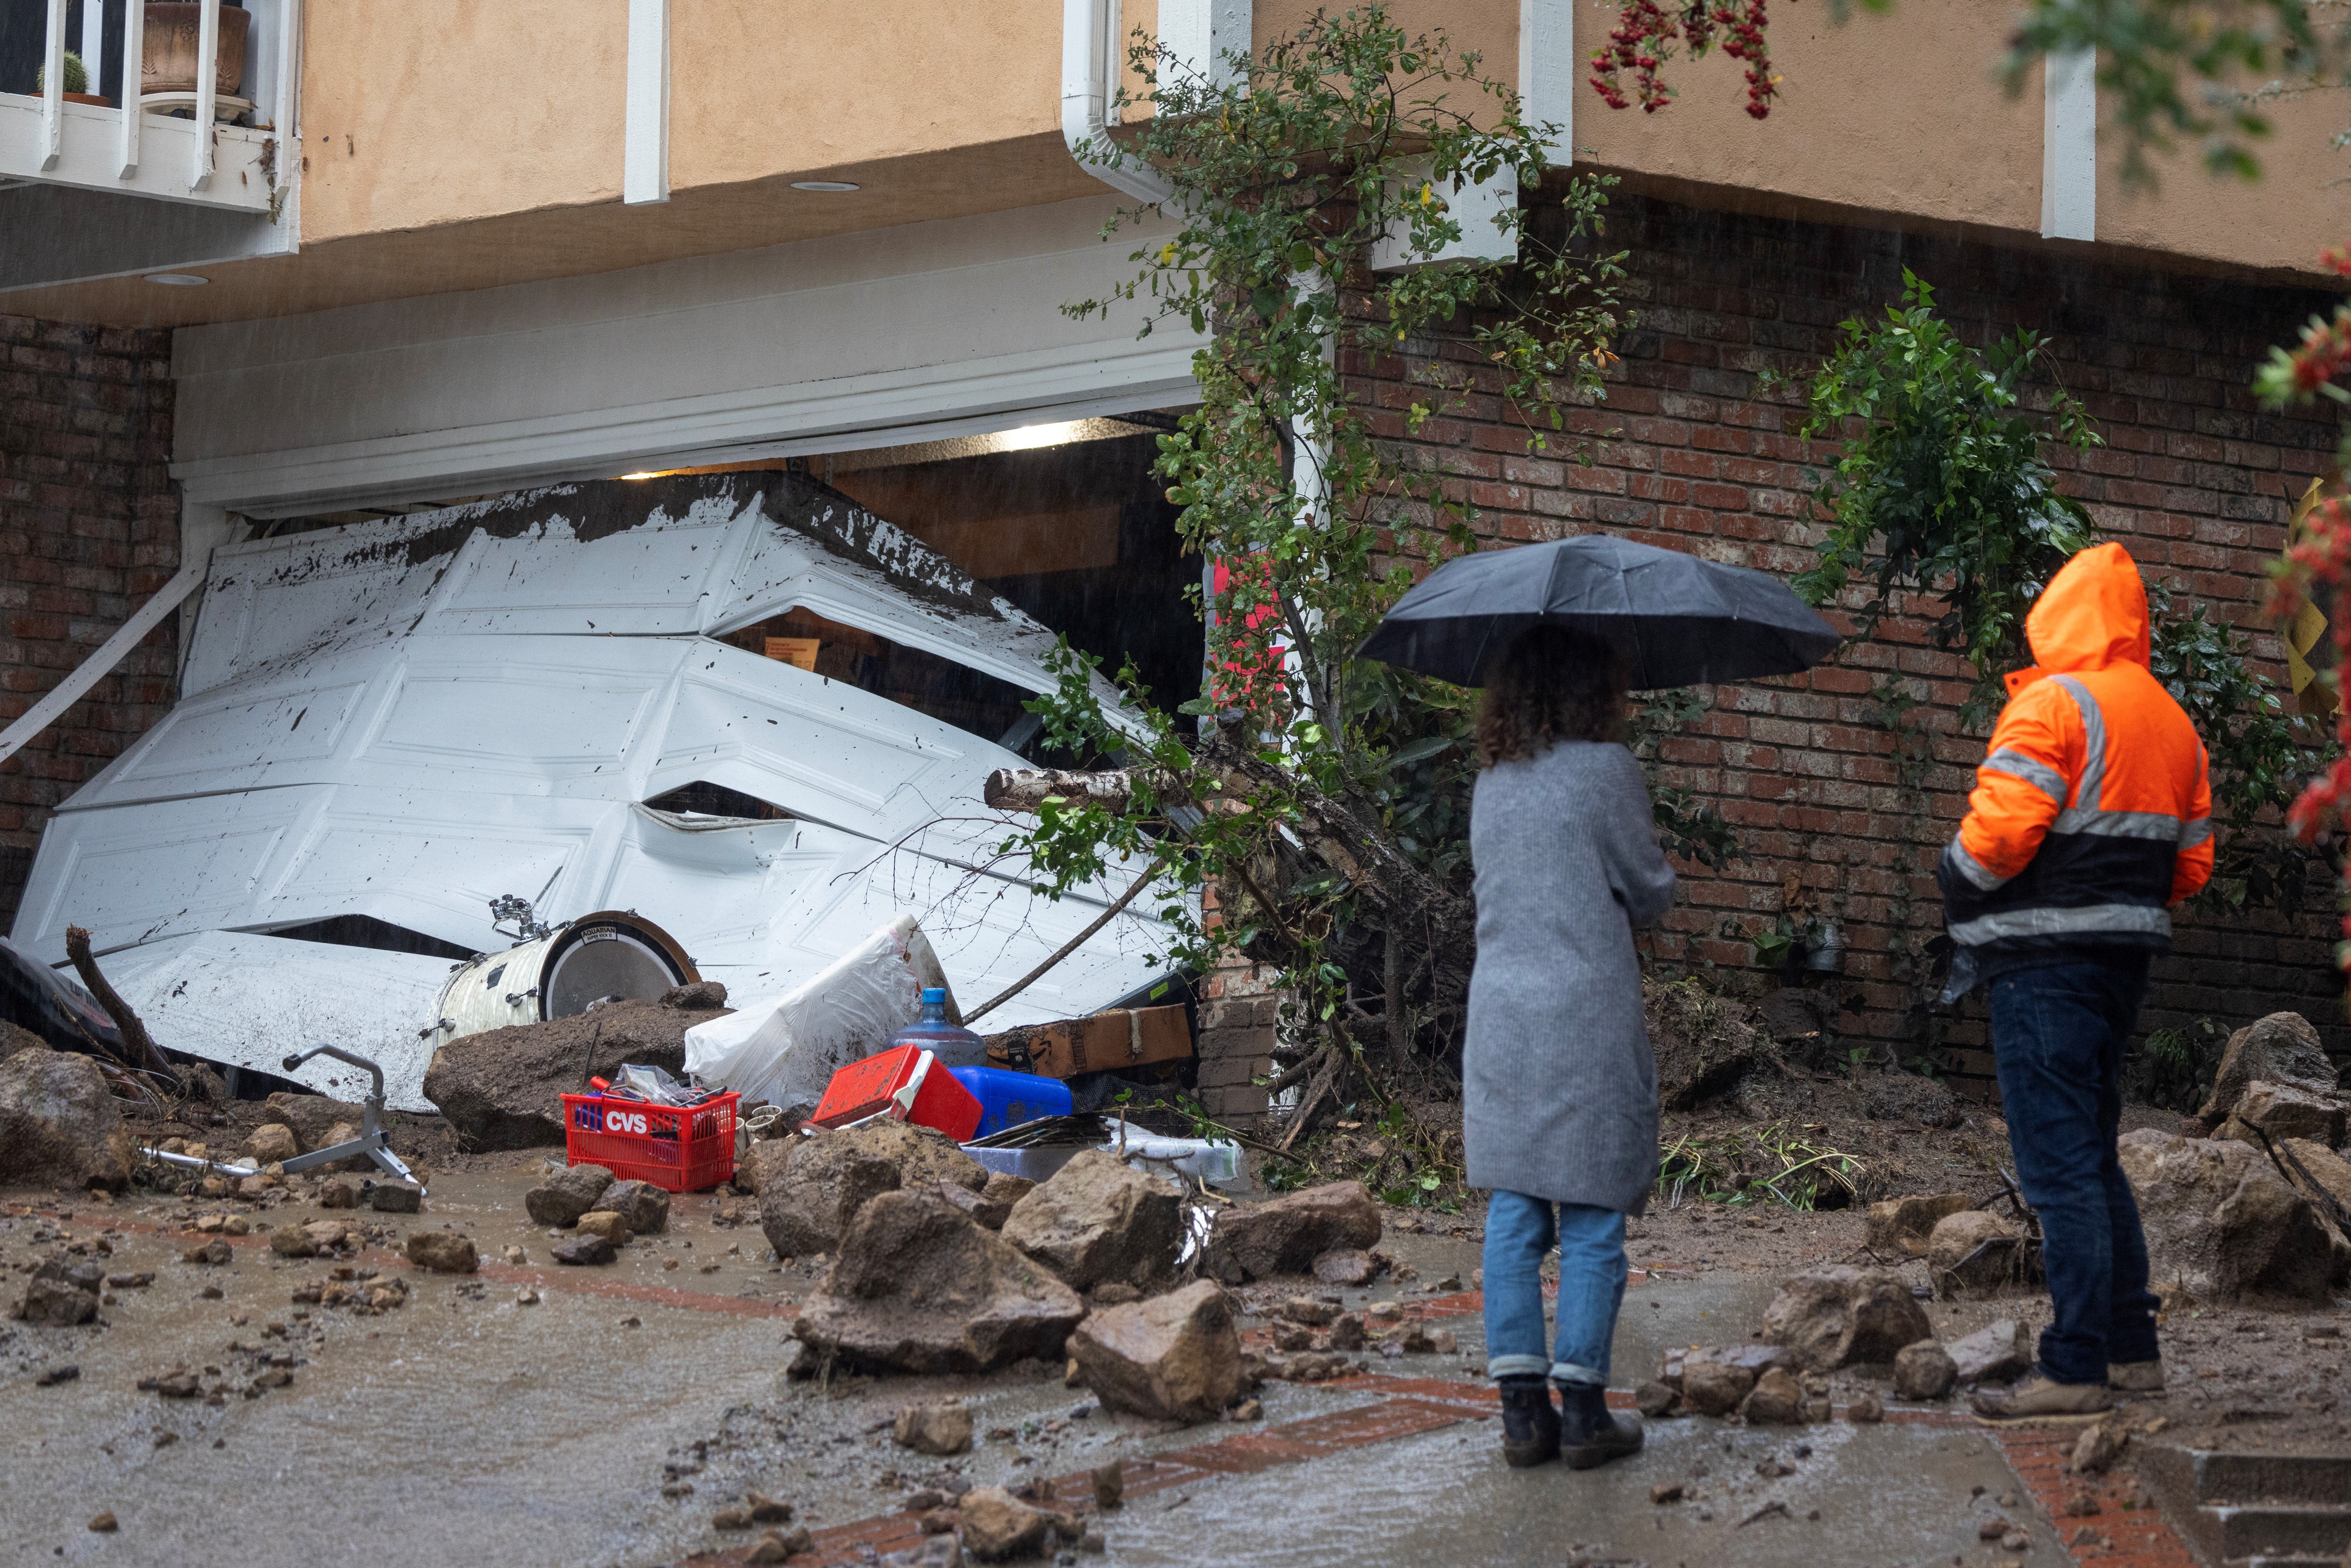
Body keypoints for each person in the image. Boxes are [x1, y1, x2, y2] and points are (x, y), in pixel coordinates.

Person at [1937, 542, 2212, 1421]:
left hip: (2041, 968)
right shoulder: (2173, 723)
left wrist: (1955, 878)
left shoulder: (2055, 703)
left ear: (2059, 610)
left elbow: (2002, 834)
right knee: (2094, 1158)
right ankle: (2133, 1353)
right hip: (2119, 967)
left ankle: (2075, 1367)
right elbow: (2191, 868)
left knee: (2058, 1169)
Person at [1464, 623, 1677, 1468]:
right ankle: (1584, 1411)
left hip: (1503, 1019)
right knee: (1592, 1216)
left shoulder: (1492, 783)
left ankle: (1523, 1419)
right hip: (1584, 1014)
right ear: (1594, 691)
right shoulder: (1606, 772)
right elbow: (1650, 890)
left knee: (1514, 1213)